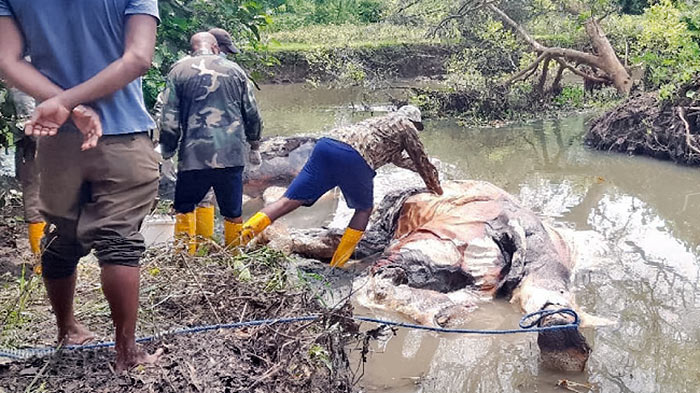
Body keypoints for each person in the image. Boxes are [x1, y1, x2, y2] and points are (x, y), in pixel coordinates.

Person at [0, 0, 161, 371]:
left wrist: (66, 107)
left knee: (62, 238)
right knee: (119, 242)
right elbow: (138, 58)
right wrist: (73, 101)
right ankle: (127, 353)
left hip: (56, 139)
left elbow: (9, 61)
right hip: (122, 135)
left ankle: (67, 330)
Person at [240, 105, 443, 268]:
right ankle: (339, 263)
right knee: (363, 210)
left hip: (327, 145)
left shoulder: (381, 124)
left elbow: (401, 160)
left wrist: (424, 169)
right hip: (353, 156)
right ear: (414, 122)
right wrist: (436, 188)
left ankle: (240, 240)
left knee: (288, 200)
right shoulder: (406, 126)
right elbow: (420, 159)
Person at [160, 32, 262, 254]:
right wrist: (254, 145)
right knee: (233, 211)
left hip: (194, 156)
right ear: (216, 48)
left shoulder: (179, 71)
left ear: (192, 49)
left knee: (185, 207)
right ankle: (235, 260)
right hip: (231, 155)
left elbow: (169, 118)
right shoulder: (236, 71)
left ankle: (185, 261)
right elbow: (252, 113)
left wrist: (167, 152)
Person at [8, 85, 45, 262]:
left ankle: (48, 261)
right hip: (36, 142)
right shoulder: (24, 61)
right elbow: (23, 100)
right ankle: (42, 262)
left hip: (51, 136)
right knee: (36, 199)